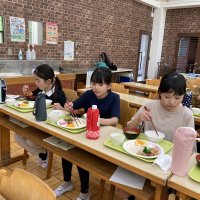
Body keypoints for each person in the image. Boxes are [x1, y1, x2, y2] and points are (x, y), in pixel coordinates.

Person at [126, 72, 195, 200]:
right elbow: (129, 129)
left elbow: (191, 150)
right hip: (143, 158)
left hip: (168, 166)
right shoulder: (149, 106)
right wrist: (139, 118)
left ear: (183, 96)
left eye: (178, 97)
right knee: (125, 188)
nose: (172, 102)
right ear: (159, 93)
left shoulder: (187, 115)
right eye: (167, 96)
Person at [54, 67, 120, 200]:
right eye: (94, 83)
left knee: (80, 154)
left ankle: (84, 192)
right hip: (87, 133)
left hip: (104, 137)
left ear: (109, 86)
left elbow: (115, 120)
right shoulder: (89, 94)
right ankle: (67, 182)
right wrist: (69, 106)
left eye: (100, 84)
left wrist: (97, 120)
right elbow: (75, 105)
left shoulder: (114, 98)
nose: (96, 87)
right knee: (67, 149)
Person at [15, 64, 66, 168]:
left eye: (38, 80)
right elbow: (31, 97)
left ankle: (44, 154)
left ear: (48, 81)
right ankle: (43, 153)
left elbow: (67, 111)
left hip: (50, 129)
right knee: (17, 135)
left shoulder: (59, 94)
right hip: (37, 124)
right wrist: (27, 93)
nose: (36, 83)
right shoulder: (40, 90)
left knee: (30, 140)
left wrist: (62, 108)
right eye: (35, 80)